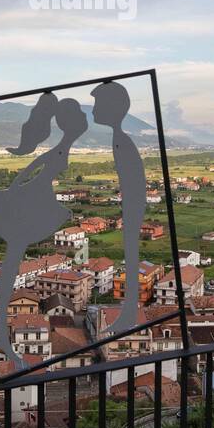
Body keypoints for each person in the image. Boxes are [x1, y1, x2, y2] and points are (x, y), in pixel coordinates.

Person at [0, 91, 88, 366]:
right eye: (80, 113)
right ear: (71, 121)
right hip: (30, 205)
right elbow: (27, 173)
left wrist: (19, 191)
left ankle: (1, 332)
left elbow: (26, 172)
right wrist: (15, 195)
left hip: (34, 203)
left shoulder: (64, 145)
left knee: (12, 263)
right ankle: (2, 334)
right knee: (11, 263)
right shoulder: (60, 147)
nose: (86, 116)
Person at [91, 80, 146, 334]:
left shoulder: (120, 140)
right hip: (132, 208)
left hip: (132, 209)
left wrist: (129, 212)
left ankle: (127, 316)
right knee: (131, 258)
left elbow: (133, 182)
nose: (92, 109)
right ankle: (127, 316)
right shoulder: (119, 138)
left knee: (132, 258)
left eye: (97, 104)